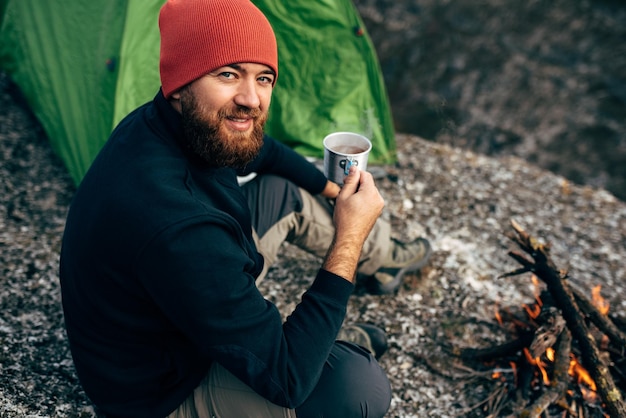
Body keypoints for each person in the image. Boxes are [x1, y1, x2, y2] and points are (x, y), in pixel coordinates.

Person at [59, 0, 431, 417]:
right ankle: (328, 336)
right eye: (228, 74)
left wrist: (329, 189)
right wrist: (349, 236)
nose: (251, 98)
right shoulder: (179, 225)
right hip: (158, 391)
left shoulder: (171, 122)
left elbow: (264, 151)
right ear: (180, 83)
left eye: (264, 78)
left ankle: (381, 262)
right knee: (358, 387)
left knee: (282, 192)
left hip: (182, 309)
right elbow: (287, 380)